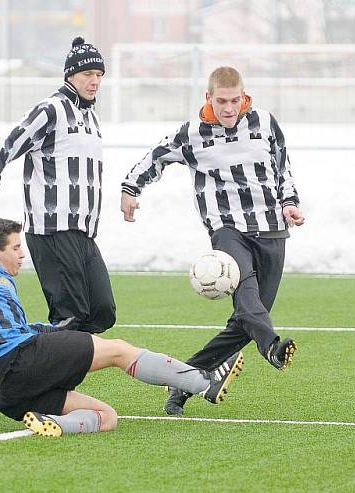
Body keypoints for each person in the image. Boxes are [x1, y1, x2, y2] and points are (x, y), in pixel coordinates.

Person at [0, 218, 244, 437]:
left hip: (9, 393)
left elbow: (18, 330)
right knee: (119, 349)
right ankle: (204, 381)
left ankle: (54, 425)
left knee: (107, 417)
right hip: (20, 363)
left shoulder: (1, 287)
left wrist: (54, 329)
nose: (22, 255)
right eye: (17, 248)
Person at [120, 66, 305, 416]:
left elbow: (284, 170)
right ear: (208, 98)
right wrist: (131, 188)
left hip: (272, 229)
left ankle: (181, 381)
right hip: (228, 230)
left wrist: (290, 204)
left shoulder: (264, 122)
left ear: (244, 96)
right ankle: (273, 348)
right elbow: (154, 158)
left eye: (236, 100)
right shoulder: (192, 133)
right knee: (248, 298)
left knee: (246, 320)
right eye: (222, 101)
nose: (230, 108)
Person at [0, 36, 115, 334]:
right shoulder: (51, 110)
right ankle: (54, 378)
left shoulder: (92, 117)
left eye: (99, 75)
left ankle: (43, 355)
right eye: (88, 74)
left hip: (83, 232)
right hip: (52, 230)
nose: (95, 81)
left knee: (101, 312)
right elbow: (4, 147)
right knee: (70, 316)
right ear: (70, 75)